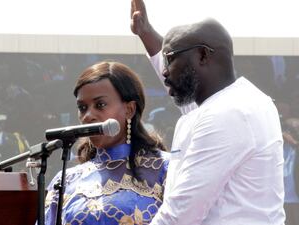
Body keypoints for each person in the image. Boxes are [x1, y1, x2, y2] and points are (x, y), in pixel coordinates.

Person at [130, 0, 285, 224]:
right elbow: (188, 102)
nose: (164, 71)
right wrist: (145, 33)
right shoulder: (238, 101)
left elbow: (180, 214)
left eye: (171, 59)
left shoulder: (228, 114)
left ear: (203, 55)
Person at [44, 61, 170, 224]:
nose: (88, 116)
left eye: (100, 105)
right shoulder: (65, 180)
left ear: (129, 109)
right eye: (82, 108)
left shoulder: (167, 169)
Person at [282, 117, 299, 225]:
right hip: (281, 199)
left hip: (296, 198)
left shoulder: (295, 146)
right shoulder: (278, 146)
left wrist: (293, 142)